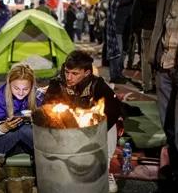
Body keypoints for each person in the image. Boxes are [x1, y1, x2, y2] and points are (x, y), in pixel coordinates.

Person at [43, 50, 123, 193]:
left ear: (86, 73)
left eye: (75, 74)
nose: (69, 77)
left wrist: (95, 129)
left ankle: (106, 170)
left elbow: (114, 109)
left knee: (111, 126)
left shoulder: (97, 84)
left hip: (90, 128)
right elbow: (46, 108)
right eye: (67, 72)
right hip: (66, 129)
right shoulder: (57, 83)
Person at [148, 0, 178, 191]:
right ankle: (177, 174)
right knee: (169, 125)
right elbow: (160, 21)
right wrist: (153, 56)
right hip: (164, 63)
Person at [0, 64, 39, 157]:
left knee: (27, 130)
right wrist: (4, 126)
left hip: (28, 142)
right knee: (22, 130)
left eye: (26, 89)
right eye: (16, 88)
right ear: (9, 83)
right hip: (4, 141)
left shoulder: (37, 95)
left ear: (32, 86)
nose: (21, 93)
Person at [131, 0, 161, 93]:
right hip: (160, 29)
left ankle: (147, 85)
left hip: (147, 29)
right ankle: (158, 84)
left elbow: (136, 14)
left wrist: (135, 29)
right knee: (160, 58)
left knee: (146, 58)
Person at [106, 0, 135, 84]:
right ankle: (114, 75)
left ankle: (119, 73)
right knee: (116, 52)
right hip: (116, 27)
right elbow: (119, 1)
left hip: (125, 27)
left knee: (122, 52)